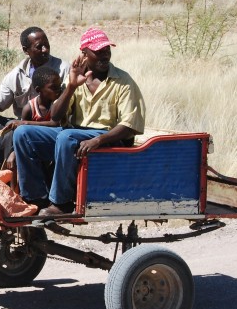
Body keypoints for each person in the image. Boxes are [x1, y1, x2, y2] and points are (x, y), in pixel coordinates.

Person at [11, 27, 146, 216]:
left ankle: (62, 203)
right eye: (98, 52)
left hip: (107, 137)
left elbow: (129, 125)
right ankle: (35, 199)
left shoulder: (123, 81)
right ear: (84, 54)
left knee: (67, 137)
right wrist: (72, 86)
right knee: (23, 134)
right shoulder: (76, 78)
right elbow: (57, 117)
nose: (104, 55)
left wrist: (98, 140)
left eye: (107, 50)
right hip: (75, 134)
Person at [0, 26, 69, 168]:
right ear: (25, 50)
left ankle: (5, 178)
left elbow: (60, 118)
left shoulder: (63, 69)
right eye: (39, 47)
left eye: (46, 45)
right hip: (21, 124)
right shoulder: (16, 75)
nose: (45, 50)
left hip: (48, 129)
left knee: (15, 132)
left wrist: (23, 124)